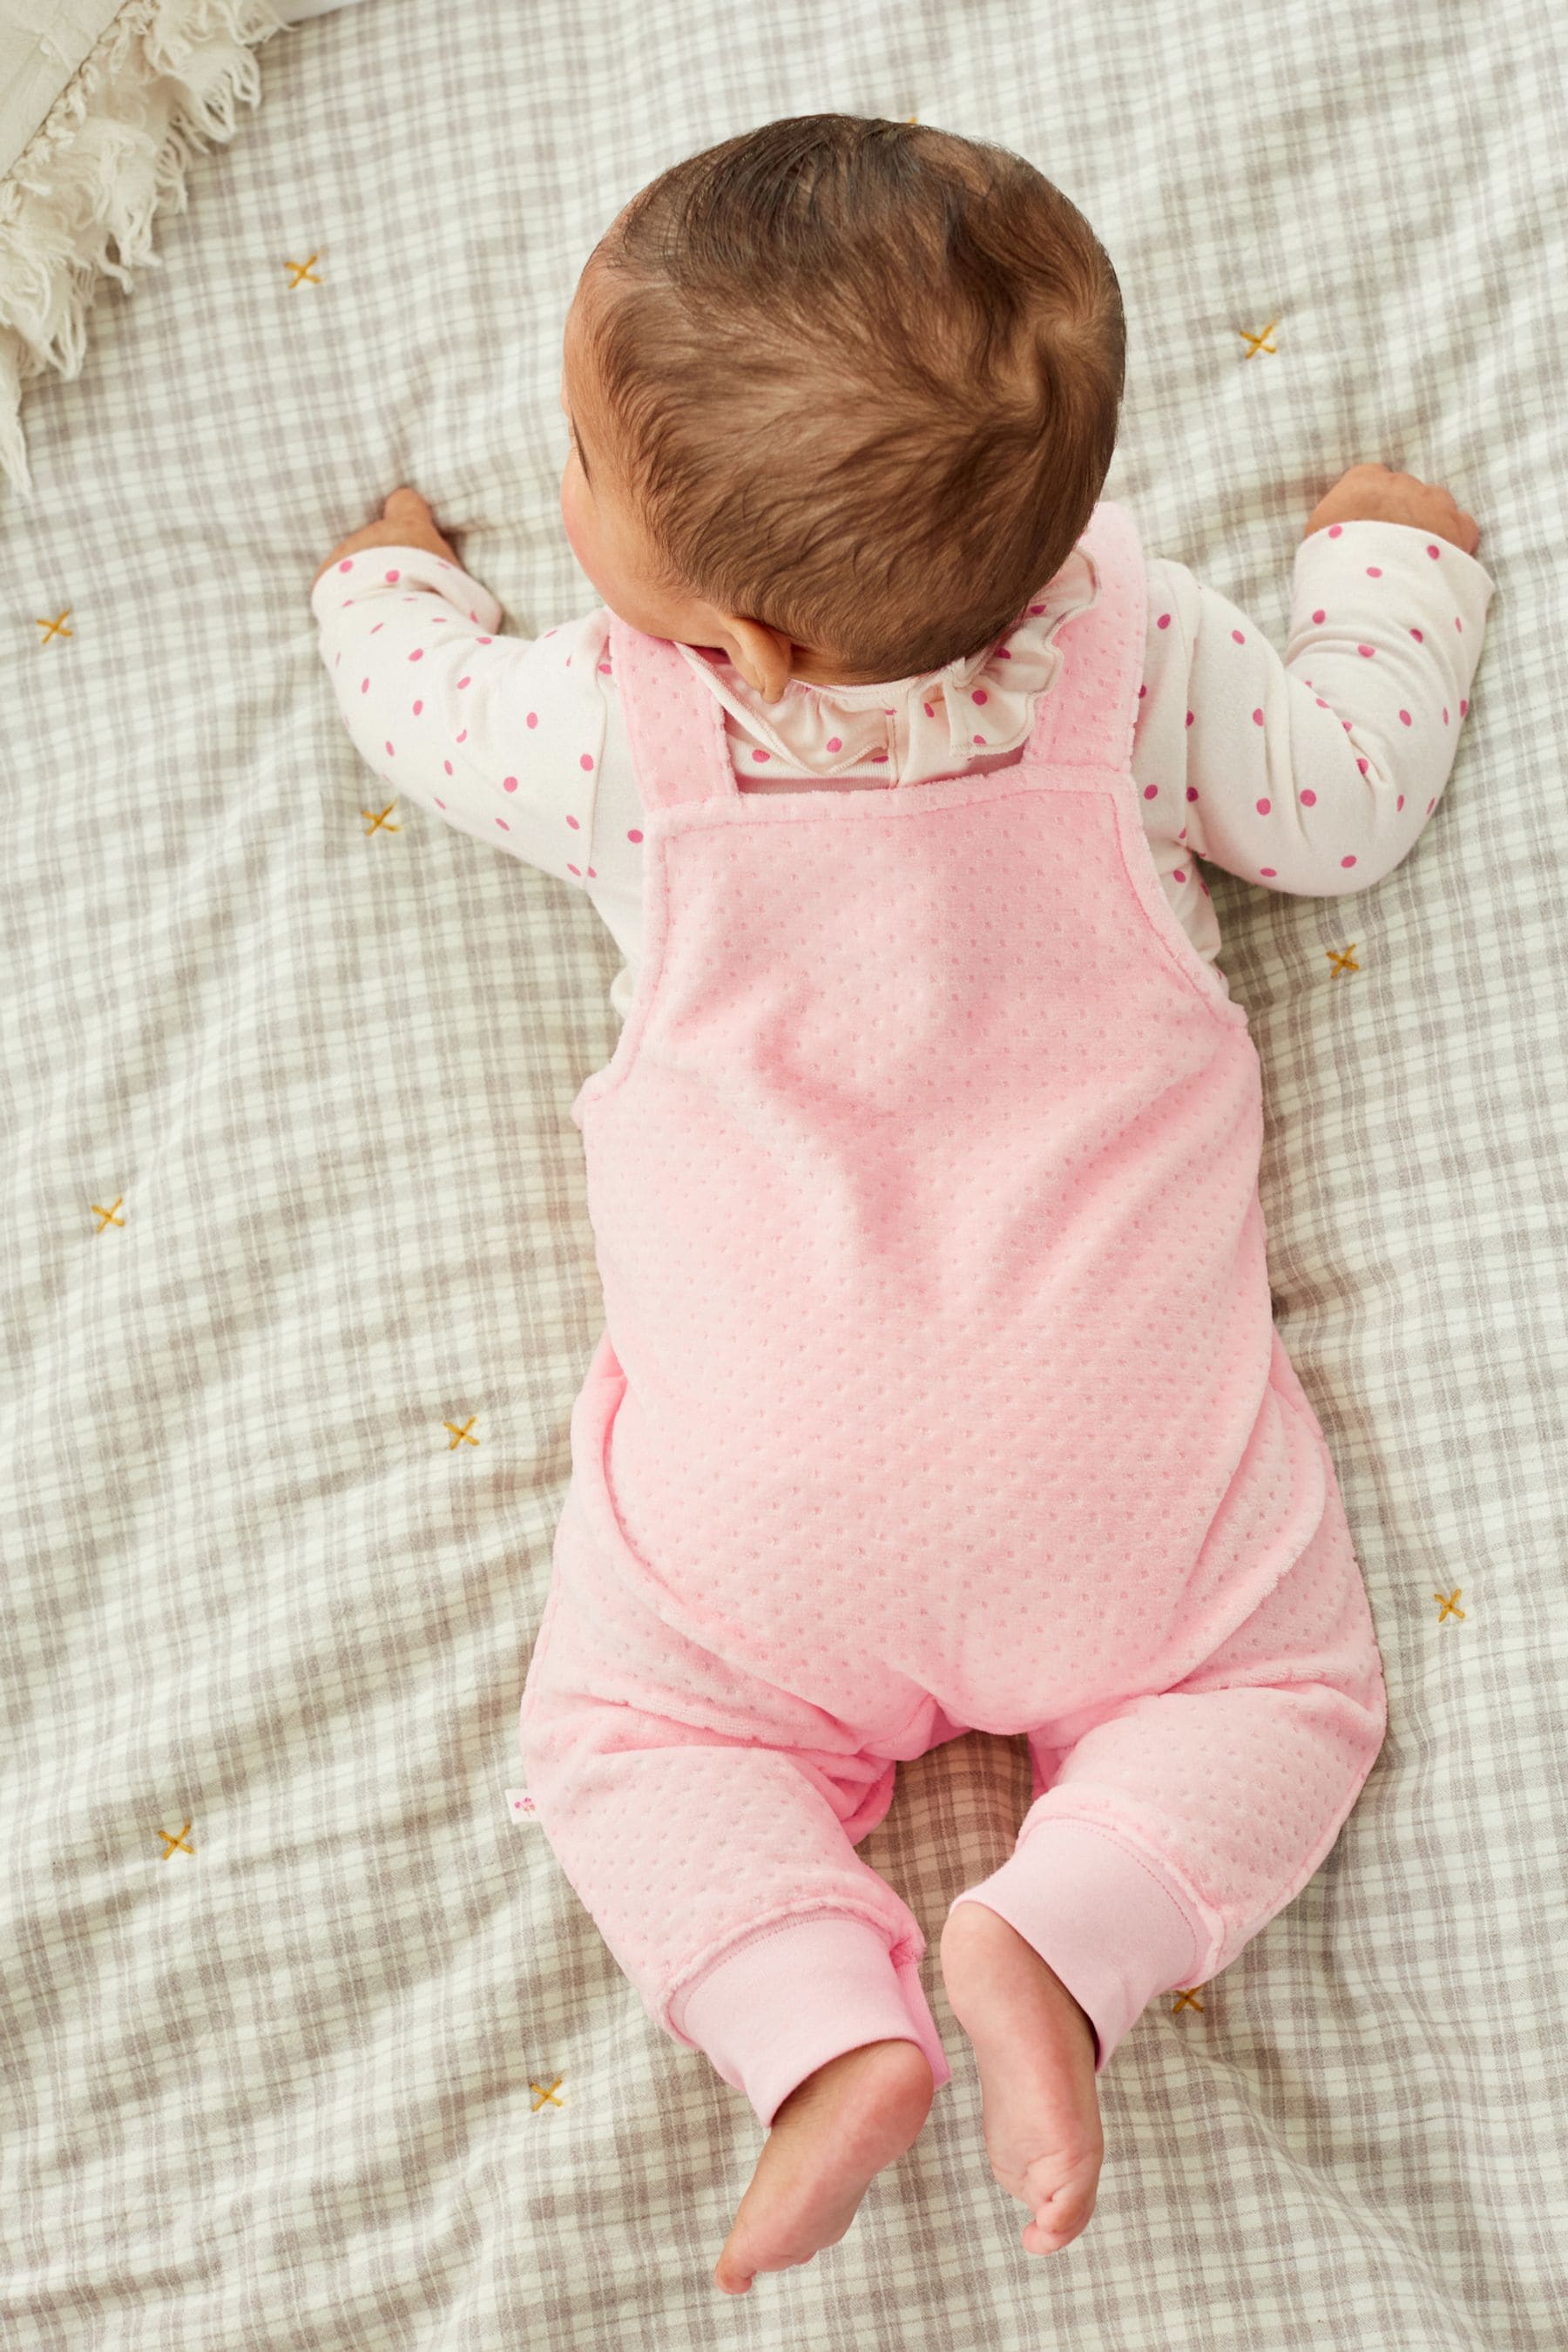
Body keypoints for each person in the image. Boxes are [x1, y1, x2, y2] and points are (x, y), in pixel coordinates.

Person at [308, 113, 1491, 2298]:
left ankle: (813, 2022)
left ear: (740, 646)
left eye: (577, 471)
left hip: (762, 1518)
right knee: (1288, 1700)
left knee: (627, 1741)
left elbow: (409, 709)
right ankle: (1060, 1936)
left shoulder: (609, 731)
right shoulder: (1128, 641)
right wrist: (1398, 566)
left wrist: (385, 571)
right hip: (1135, 1487)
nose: (554, 493)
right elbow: (1345, 801)